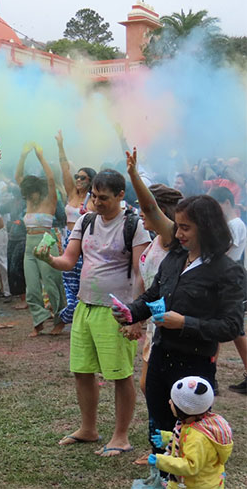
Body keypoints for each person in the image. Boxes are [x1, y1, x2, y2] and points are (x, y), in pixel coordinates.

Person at [114, 195, 244, 457]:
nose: (178, 233)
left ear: (206, 227)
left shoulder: (227, 271)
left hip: (194, 363)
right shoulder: (175, 258)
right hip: (161, 355)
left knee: (190, 433)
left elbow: (230, 326)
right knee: (158, 425)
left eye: (186, 227)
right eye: (177, 226)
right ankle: (160, 474)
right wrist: (130, 312)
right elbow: (153, 295)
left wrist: (185, 323)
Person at [35, 168, 151, 456]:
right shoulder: (86, 221)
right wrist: (48, 258)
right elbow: (69, 260)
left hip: (116, 311)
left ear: (121, 196)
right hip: (85, 306)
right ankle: (89, 429)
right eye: (94, 197)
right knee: (82, 371)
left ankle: (121, 436)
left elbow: (141, 272)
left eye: (104, 198)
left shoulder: (134, 225)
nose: (97, 203)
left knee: (120, 374)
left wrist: (137, 317)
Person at [126, 148, 184, 463]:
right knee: (150, 386)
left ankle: (170, 446)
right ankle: (161, 446)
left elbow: (149, 203)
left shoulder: (172, 239)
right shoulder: (152, 244)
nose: (142, 217)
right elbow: (146, 286)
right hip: (154, 325)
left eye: (147, 213)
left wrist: (134, 175)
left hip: (171, 326)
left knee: (159, 388)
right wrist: (136, 319)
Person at [16, 142, 66, 336]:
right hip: (29, 243)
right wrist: (22, 156)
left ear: (38, 189)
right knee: (32, 286)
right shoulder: (29, 199)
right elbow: (18, 177)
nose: (30, 197)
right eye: (27, 194)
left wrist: (40, 157)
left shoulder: (50, 200)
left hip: (46, 241)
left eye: (32, 193)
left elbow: (52, 179)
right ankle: (38, 321)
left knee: (52, 282)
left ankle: (60, 320)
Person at [148, 377, 233, 489]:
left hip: (196, 485)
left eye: (173, 402)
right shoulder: (196, 423)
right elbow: (184, 440)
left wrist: (162, 461)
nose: (169, 402)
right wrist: (167, 438)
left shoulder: (198, 437)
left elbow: (190, 466)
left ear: (183, 409)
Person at [207, 186, 247, 396]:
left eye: (217, 206)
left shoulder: (235, 225)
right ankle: (210, 375)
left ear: (226, 202)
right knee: (233, 331)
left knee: (235, 330)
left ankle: (210, 375)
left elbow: (222, 250)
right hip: (225, 280)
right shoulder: (232, 224)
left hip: (228, 281)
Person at [55, 130, 96, 324]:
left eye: (83, 178)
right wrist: (60, 145)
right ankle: (71, 314)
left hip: (86, 243)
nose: (78, 180)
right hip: (68, 238)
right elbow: (64, 168)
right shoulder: (71, 193)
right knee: (68, 278)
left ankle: (81, 316)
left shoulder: (94, 201)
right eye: (77, 177)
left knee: (82, 280)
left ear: (91, 181)